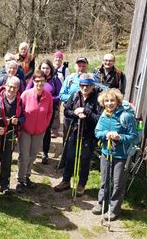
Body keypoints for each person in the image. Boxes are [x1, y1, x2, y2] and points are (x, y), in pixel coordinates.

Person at [93, 89, 138, 220]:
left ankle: (114, 210)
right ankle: (102, 205)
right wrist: (105, 135)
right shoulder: (103, 115)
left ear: (117, 101)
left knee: (117, 183)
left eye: (112, 100)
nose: (109, 103)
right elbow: (97, 132)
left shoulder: (126, 116)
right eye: (106, 101)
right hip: (106, 152)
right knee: (104, 180)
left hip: (121, 155)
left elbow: (134, 137)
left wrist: (120, 137)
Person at [54, 74, 101, 196]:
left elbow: (99, 119)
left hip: (89, 134)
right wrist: (75, 113)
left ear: (92, 86)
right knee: (70, 157)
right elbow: (66, 111)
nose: (85, 88)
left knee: (85, 159)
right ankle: (65, 181)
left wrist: (86, 111)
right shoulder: (75, 95)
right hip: (75, 131)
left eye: (88, 85)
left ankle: (81, 184)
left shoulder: (98, 99)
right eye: (82, 85)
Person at [16, 70, 53, 193]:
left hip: (39, 131)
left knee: (32, 155)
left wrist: (45, 125)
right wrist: (21, 126)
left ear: (45, 82)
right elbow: (20, 111)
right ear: (33, 81)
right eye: (37, 81)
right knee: (24, 156)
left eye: (42, 81)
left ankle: (27, 176)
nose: (39, 84)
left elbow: (50, 112)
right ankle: (20, 180)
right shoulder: (26, 94)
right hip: (26, 130)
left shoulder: (48, 96)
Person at [25, 59, 61, 164]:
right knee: (32, 129)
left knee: (46, 130)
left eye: (47, 68)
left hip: (49, 108)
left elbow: (60, 95)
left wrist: (48, 98)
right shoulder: (35, 78)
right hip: (33, 108)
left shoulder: (55, 80)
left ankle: (45, 152)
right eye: (43, 68)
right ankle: (31, 152)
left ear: (51, 69)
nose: (45, 70)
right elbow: (27, 91)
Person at [0, 76, 25, 195]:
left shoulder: (20, 101)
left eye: (14, 87)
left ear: (18, 88)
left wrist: (18, 120)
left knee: (7, 158)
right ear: (5, 86)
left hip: (11, 133)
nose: (11, 89)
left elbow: (24, 116)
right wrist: (3, 120)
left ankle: (4, 184)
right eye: (10, 86)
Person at [52, 51, 69, 138]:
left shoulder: (65, 69)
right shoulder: (50, 68)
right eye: (56, 57)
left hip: (59, 93)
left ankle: (55, 130)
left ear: (62, 59)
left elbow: (68, 81)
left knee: (56, 111)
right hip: (51, 91)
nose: (58, 59)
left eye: (59, 58)